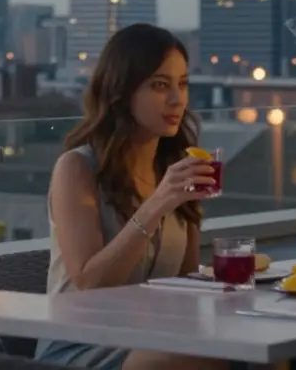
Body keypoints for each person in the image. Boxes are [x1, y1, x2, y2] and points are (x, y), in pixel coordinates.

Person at [34, 23, 223, 369]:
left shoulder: (178, 168)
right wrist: (157, 204)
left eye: (182, 84)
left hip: (154, 336)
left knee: (257, 356)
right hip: (81, 343)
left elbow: (185, 285)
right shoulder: (76, 169)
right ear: (122, 91)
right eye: (159, 85)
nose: (176, 99)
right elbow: (90, 282)